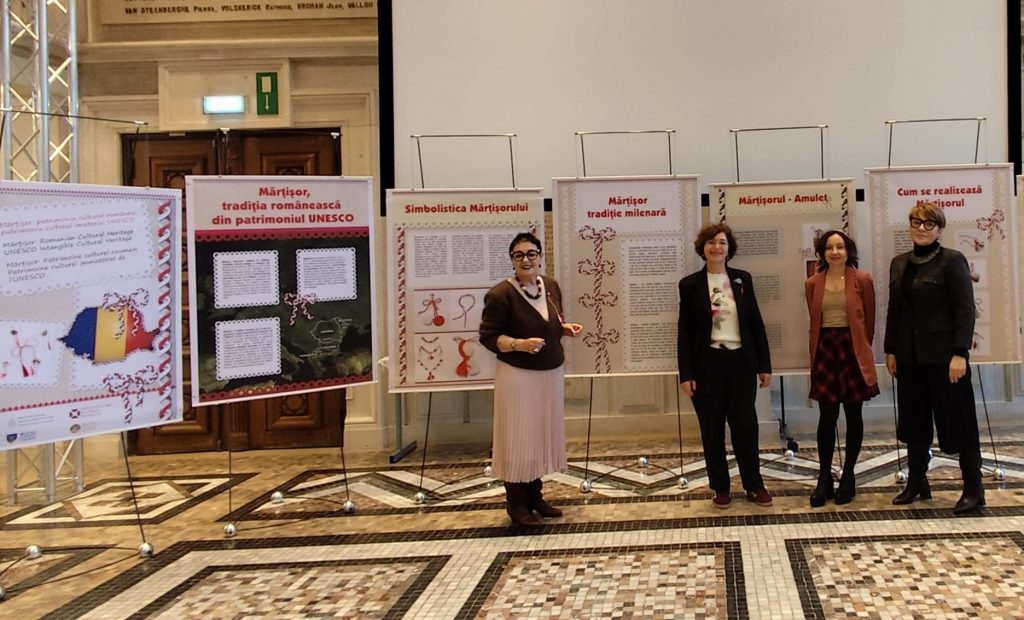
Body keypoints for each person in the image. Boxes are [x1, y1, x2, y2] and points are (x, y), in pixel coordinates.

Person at [884, 201, 983, 514]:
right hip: (909, 358)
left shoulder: (953, 261)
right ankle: (917, 481)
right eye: (916, 222)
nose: (922, 229)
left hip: (945, 359)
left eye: (929, 224)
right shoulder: (899, 263)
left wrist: (960, 353)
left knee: (960, 422)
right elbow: (895, 311)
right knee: (914, 422)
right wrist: (890, 349)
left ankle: (974, 488)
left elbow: (965, 311)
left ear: (940, 229)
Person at [479, 232, 583, 527]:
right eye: (519, 255)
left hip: (550, 372)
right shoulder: (500, 295)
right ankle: (517, 503)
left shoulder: (550, 286)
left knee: (539, 434)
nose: (526, 260)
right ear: (512, 260)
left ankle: (535, 495)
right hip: (518, 376)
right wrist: (518, 344)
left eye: (531, 253)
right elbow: (488, 337)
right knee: (518, 438)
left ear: (540, 256)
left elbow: (551, 321)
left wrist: (564, 329)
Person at [677, 223, 773, 509]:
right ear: (703, 248)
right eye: (711, 242)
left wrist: (764, 365)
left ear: (729, 248)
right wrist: (686, 373)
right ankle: (720, 487)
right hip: (706, 366)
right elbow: (684, 332)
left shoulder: (743, 280)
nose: (716, 247)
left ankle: (754, 485)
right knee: (712, 429)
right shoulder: (690, 285)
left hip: (741, 363)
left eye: (722, 242)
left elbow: (756, 323)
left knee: (746, 427)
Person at [805, 230, 879, 507]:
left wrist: (862, 346)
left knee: (853, 413)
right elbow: (814, 318)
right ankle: (824, 477)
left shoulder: (862, 279)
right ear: (822, 252)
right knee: (827, 416)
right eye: (829, 248)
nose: (835, 252)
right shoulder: (813, 282)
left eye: (840, 247)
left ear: (848, 251)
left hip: (852, 349)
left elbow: (869, 320)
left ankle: (848, 475)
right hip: (825, 347)